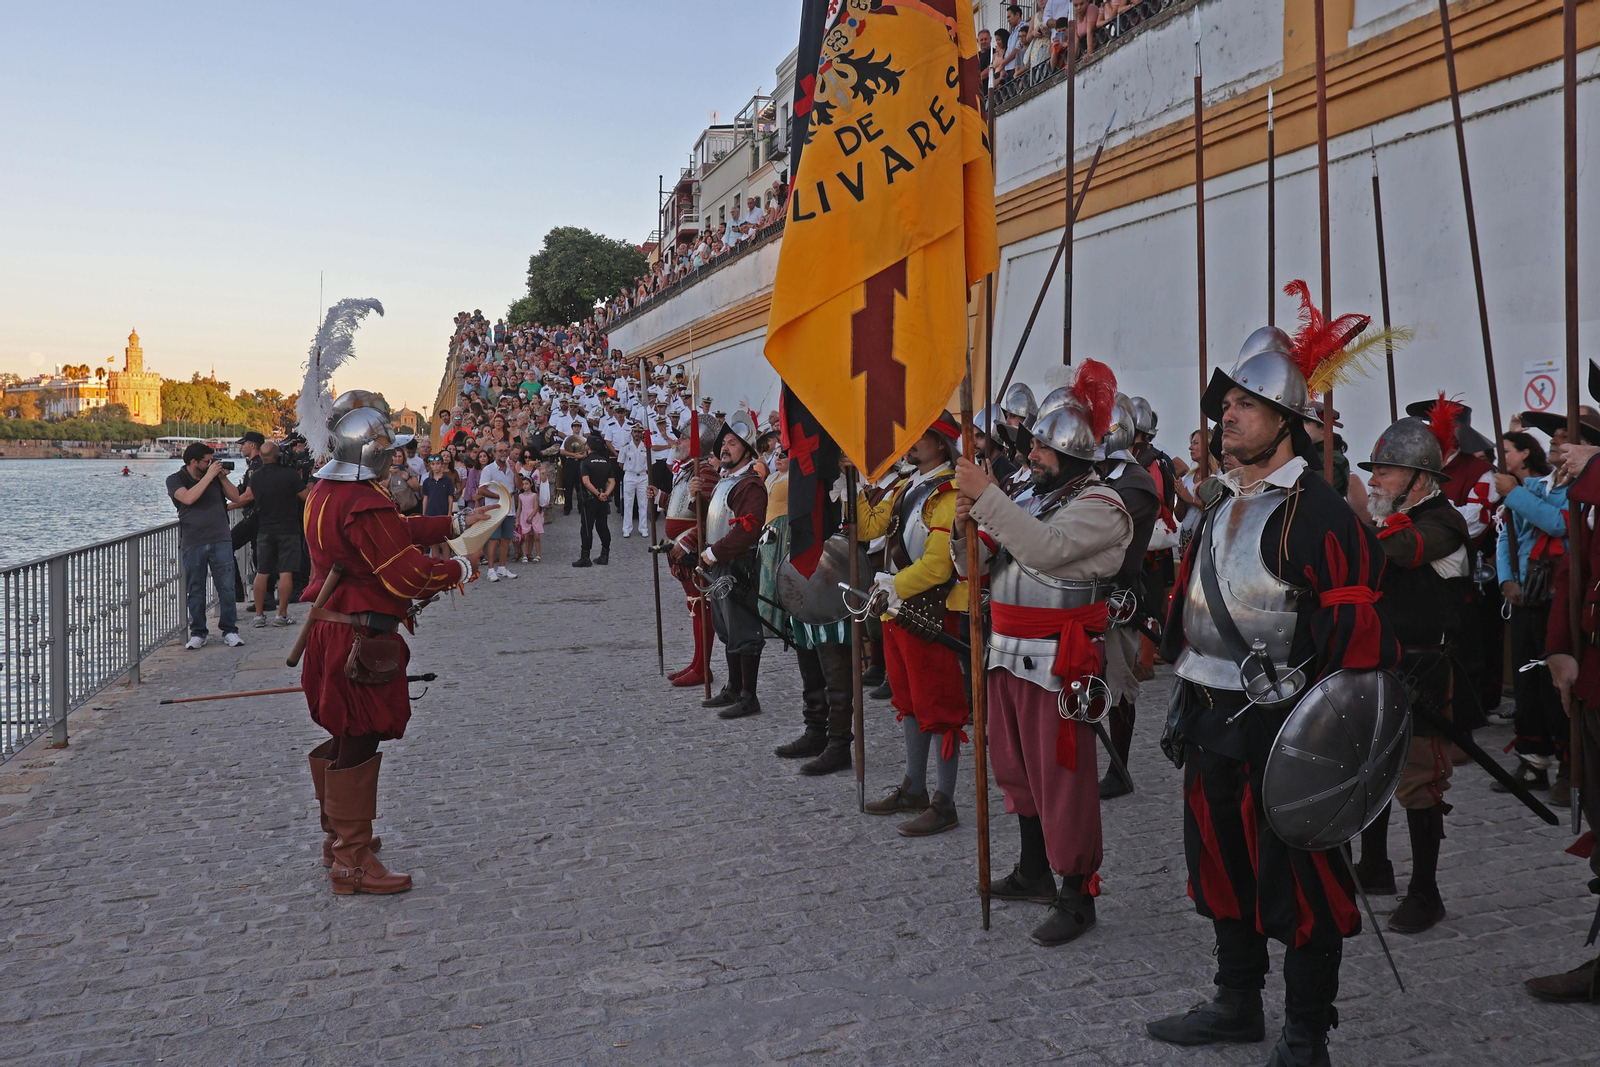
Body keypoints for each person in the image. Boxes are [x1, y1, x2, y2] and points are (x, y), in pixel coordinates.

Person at [1146, 319, 1401, 1067]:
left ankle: (1305, 1033)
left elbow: (1359, 653)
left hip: (1289, 729)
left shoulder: (1321, 515)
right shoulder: (1221, 506)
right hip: (1213, 716)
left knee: (1303, 883)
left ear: (1287, 420)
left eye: (1247, 405)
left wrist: (1324, 753)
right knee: (1220, 864)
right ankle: (1235, 1001)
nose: (1227, 415)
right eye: (1224, 405)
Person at [953, 368, 1133, 946]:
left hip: (1059, 659)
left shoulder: (1104, 505)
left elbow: (1044, 550)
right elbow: (973, 568)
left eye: (1040, 446)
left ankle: (1077, 894)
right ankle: (1033, 870)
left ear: (1071, 454)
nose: (1029, 452)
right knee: (1015, 768)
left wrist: (987, 498)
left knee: (1062, 779)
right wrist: (964, 527)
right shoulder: (1031, 494)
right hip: (1006, 648)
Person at [297, 390, 483, 896]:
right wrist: (458, 567)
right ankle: (350, 860)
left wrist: (453, 522)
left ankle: (338, 836)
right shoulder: (360, 500)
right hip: (357, 632)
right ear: (373, 452)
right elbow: (404, 574)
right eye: (390, 449)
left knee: (345, 731)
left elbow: (393, 531)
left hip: (331, 627)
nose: (396, 456)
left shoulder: (325, 491)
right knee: (359, 732)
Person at [1353, 410, 1473, 936]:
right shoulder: (1383, 521)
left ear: (1420, 480)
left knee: (1419, 780)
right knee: (1370, 768)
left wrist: (1344, 526)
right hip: (1379, 659)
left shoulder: (1444, 521)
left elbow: (1398, 553)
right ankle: (1374, 866)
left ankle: (1426, 891)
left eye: (1385, 471)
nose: (1375, 480)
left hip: (1425, 668)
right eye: (1374, 471)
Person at [855, 415, 969, 836]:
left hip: (930, 612)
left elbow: (939, 566)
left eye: (921, 436)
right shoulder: (906, 485)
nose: (912, 444)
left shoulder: (949, 492)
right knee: (908, 702)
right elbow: (870, 528)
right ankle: (914, 787)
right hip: (896, 610)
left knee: (939, 707)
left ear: (941, 444)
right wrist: (858, 488)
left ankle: (944, 801)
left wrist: (892, 585)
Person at [672, 411, 768, 718]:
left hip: (739, 566)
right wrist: (697, 496)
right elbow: (711, 519)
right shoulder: (728, 482)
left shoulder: (749, 485)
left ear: (747, 450)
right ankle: (733, 688)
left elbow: (748, 528)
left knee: (743, 631)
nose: (725, 448)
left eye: (733, 443)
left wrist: (715, 553)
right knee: (726, 628)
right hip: (722, 565)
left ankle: (749, 696)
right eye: (724, 442)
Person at [1494, 429, 1569, 792]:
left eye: (1565, 436)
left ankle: (1570, 765)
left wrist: (1514, 493)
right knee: (1528, 681)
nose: (1554, 442)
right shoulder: (1537, 486)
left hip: (1560, 596)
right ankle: (1532, 761)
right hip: (1527, 593)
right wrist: (1507, 580)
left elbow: (1557, 523)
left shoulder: (1581, 485)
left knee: (1559, 683)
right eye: (1553, 437)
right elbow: (1507, 537)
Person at [166, 442, 247, 649]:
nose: (211, 463)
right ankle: (198, 633)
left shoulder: (214, 477)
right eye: (207, 461)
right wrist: (210, 476)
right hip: (193, 542)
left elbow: (236, 497)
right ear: (194, 462)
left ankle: (230, 630)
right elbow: (188, 498)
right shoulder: (175, 480)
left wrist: (221, 477)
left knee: (227, 588)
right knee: (196, 589)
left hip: (220, 538)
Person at [654, 428, 717, 688]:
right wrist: (660, 497)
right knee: (695, 607)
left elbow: (709, 517)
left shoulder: (706, 473)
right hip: (680, 549)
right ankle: (696, 663)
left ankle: (702, 667)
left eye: (684, 437)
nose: (678, 441)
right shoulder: (688, 470)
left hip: (692, 551)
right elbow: (679, 507)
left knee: (702, 607)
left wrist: (688, 541)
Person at [249, 441, 309, 627]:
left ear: (261, 456)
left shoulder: (255, 477)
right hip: (288, 529)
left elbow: (248, 497)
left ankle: (259, 616)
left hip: (265, 529)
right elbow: (307, 497)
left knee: (262, 572)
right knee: (286, 572)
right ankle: (281, 615)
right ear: (278, 456)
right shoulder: (290, 475)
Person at [477, 441, 519, 581]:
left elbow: (518, 486)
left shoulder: (511, 467)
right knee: (494, 540)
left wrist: (514, 471)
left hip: (509, 509)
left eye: (506, 451)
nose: (503, 454)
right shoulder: (488, 470)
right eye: (500, 451)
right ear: (494, 453)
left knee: (506, 539)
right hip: (495, 509)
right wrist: (500, 496)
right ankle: (490, 570)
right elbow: (481, 489)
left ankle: (502, 567)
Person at [574, 432, 616, 567]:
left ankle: (585, 557)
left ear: (588, 447)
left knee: (586, 527)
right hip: (603, 500)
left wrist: (597, 494)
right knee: (602, 526)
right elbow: (612, 481)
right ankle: (605, 555)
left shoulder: (585, 462)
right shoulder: (605, 462)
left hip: (590, 499)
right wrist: (605, 494)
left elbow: (586, 482)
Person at [619, 422, 651, 538]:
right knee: (628, 503)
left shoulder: (646, 447)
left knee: (643, 504)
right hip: (630, 476)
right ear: (632, 433)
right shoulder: (626, 447)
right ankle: (626, 528)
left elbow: (650, 463)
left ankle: (643, 528)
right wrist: (630, 470)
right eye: (635, 431)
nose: (637, 434)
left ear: (642, 433)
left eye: (639, 432)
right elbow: (620, 463)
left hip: (643, 476)